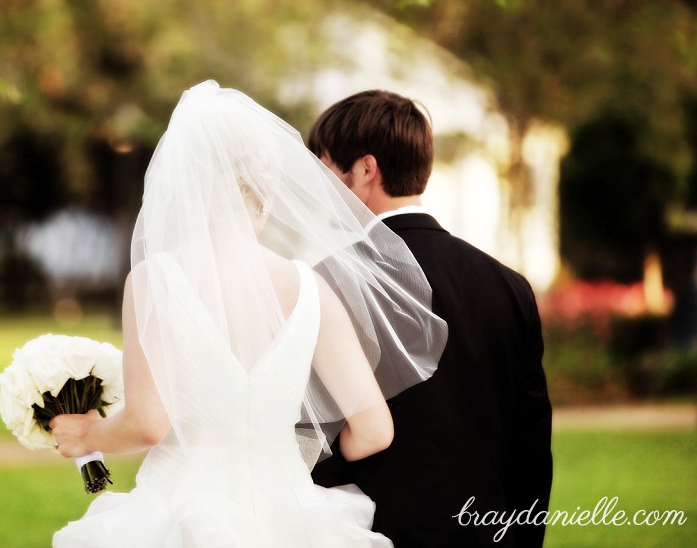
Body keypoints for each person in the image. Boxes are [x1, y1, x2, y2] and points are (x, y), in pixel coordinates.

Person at [49, 81, 447, 547]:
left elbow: (147, 424)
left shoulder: (155, 280)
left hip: (179, 504)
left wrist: (88, 434)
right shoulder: (311, 287)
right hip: (290, 516)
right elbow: (375, 430)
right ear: (267, 184)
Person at [307, 89, 553, 547]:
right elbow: (530, 445)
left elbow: (315, 437)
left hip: (374, 533)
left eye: (323, 167)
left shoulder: (328, 284)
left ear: (364, 170)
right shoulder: (508, 285)